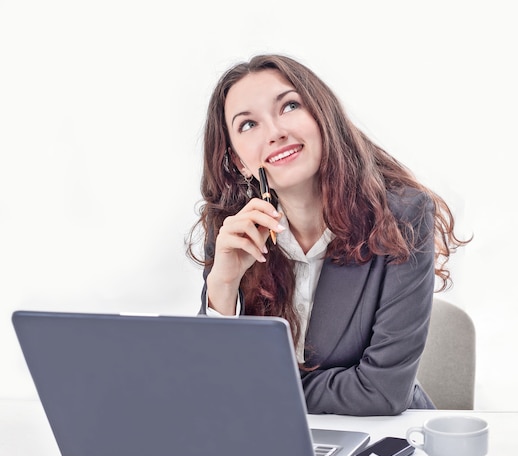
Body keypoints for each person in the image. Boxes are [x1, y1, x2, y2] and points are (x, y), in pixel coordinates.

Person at [187, 53, 468, 416]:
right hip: (270, 443)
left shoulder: (403, 216)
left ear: (322, 116)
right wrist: (222, 287)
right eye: (247, 125)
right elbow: (207, 386)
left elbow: (382, 393)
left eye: (289, 106)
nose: (275, 132)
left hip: (380, 447)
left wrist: (256, 388)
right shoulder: (233, 231)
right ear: (239, 161)